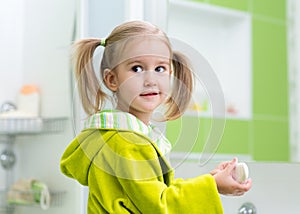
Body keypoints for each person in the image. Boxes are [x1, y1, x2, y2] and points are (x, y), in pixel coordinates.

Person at [60, 20, 252, 214]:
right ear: (112, 79)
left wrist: (210, 179)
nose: (150, 80)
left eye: (160, 68)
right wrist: (213, 186)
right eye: (136, 68)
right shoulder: (128, 143)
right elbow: (158, 205)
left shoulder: (116, 135)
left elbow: (150, 191)